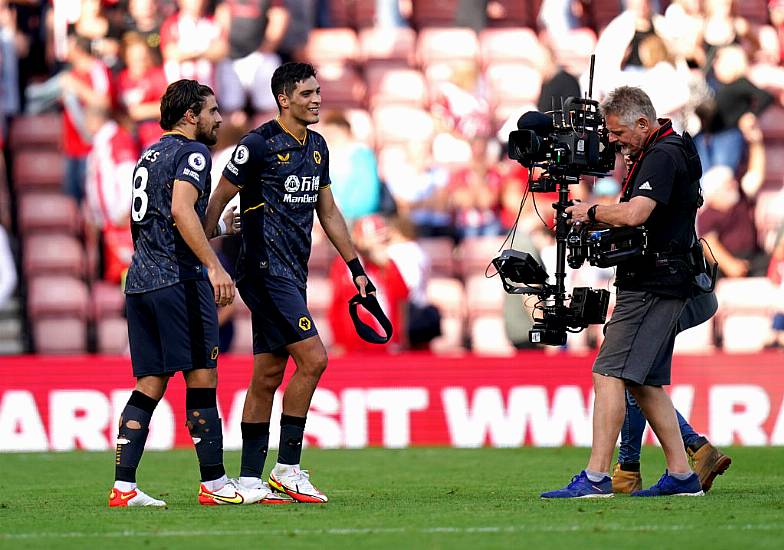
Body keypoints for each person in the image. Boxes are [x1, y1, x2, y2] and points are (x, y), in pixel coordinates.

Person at [205, 62, 375, 503]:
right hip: (263, 272)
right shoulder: (257, 145)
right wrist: (208, 253)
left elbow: (329, 213)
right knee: (314, 359)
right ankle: (288, 468)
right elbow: (217, 199)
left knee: (267, 374)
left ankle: (247, 480)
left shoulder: (317, 146)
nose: (316, 99)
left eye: (318, 91)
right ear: (284, 98)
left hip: (292, 274)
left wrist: (357, 268)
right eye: (306, 94)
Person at [110, 79, 282, 507]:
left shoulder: (149, 154)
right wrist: (213, 265)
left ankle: (124, 487)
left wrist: (219, 228)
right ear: (191, 115)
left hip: (141, 282)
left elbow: (166, 220)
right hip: (179, 280)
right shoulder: (193, 152)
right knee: (202, 378)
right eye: (212, 111)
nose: (219, 119)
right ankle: (215, 483)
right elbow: (180, 210)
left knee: (149, 382)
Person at [543, 86, 705, 498]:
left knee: (608, 372)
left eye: (617, 133)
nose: (611, 141)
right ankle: (683, 475)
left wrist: (589, 211)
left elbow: (637, 214)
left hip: (654, 280)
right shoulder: (665, 149)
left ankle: (597, 477)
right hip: (659, 277)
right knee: (644, 382)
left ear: (643, 123)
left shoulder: (662, 155)